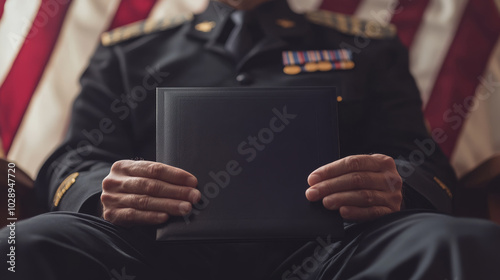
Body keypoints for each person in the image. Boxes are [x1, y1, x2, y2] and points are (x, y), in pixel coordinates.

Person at [1, 0, 500, 279]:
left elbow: (423, 159)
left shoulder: (368, 48)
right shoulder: (129, 52)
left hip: (335, 254)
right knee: (20, 248)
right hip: (152, 257)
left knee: (464, 245)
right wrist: (99, 188)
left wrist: (398, 184)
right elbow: (74, 156)